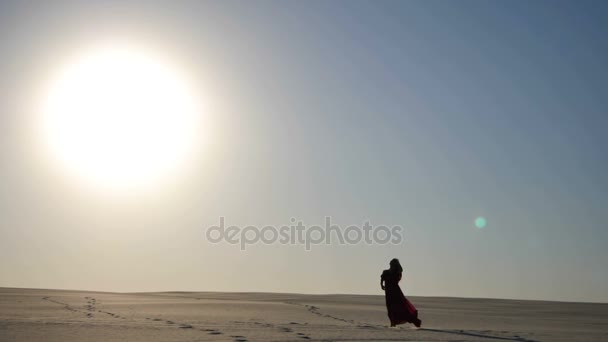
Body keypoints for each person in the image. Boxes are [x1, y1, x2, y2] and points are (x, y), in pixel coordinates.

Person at [381, 258, 421, 327]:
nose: (390, 265)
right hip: (388, 293)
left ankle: (414, 320)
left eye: (392, 264)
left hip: (395, 292)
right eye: (390, 264)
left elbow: (397, 280)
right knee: (390, 308)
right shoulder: (386, 272)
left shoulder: (397, 272)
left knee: (400, 308)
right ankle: (393, 323)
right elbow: (382, 279)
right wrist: (382, 285)